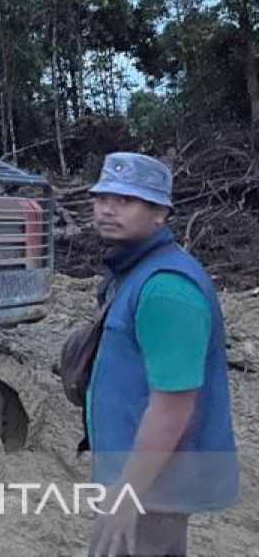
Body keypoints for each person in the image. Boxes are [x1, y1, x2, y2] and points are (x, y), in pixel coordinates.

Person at [85, 153, 238, 556]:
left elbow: (173, 406)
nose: (108, 209)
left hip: (153, 484)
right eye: (102, 198)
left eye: (126, 200)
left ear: (160, 213)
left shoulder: (166, 288)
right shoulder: (134, 272)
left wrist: (127, 493)